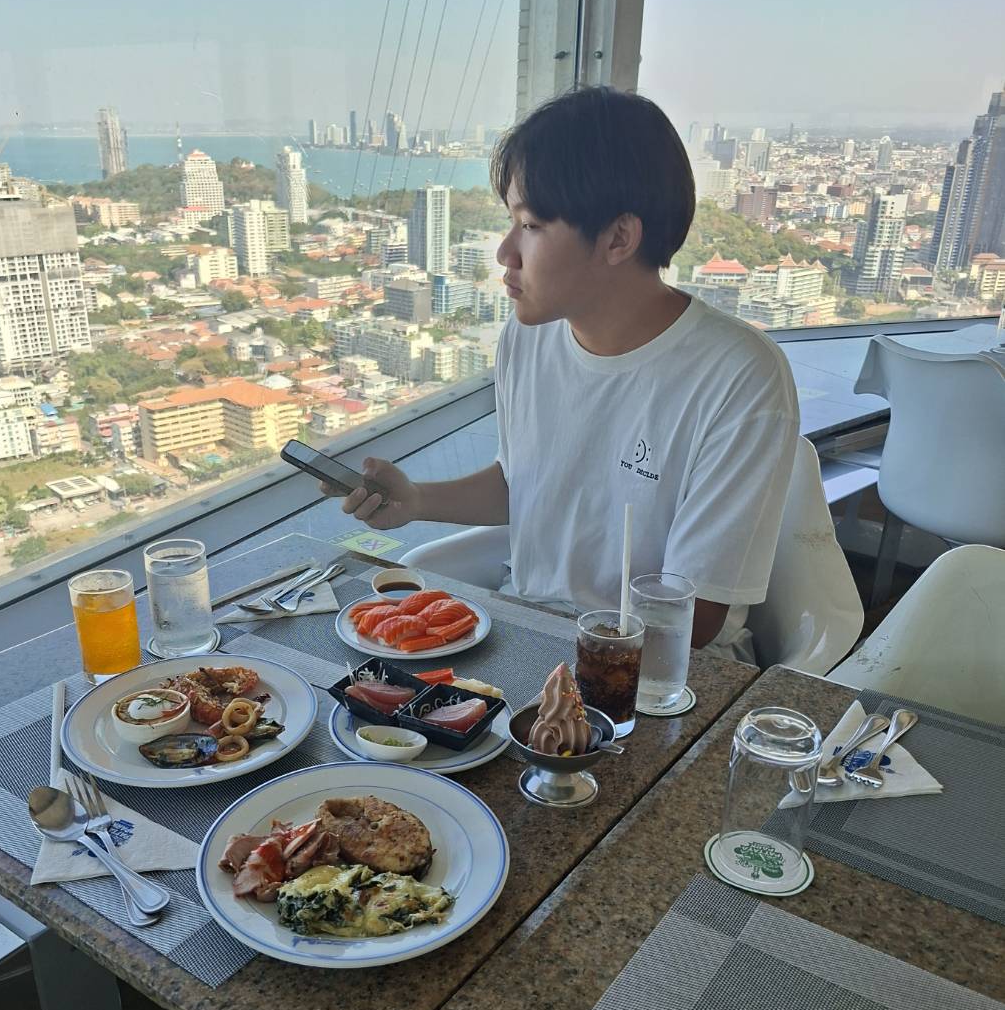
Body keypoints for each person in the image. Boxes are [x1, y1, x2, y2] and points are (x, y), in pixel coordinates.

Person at [332, 85, 799, 658]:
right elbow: (527, 486)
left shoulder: (739, 377)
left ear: (618, 238)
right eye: (511, 221)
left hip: (658, 671)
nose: (505, 252)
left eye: (530, 225)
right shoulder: (528, 337)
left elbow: (692, 617)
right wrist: (415, 500)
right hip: (530, 633)